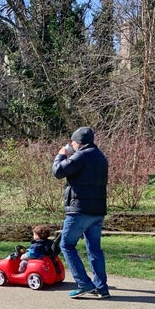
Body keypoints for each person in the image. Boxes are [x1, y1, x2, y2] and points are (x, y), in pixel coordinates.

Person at [51, 127, 110, 299]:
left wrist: (61, 155)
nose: (72, 145)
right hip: (97, 211)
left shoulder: (81, 156)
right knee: (94, 249)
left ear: (78, 142)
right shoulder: (100, 157)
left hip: (79, 210)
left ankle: (84, 284)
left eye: (73, 142)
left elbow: (58, 171)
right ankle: (101, 288)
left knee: (66, 245)